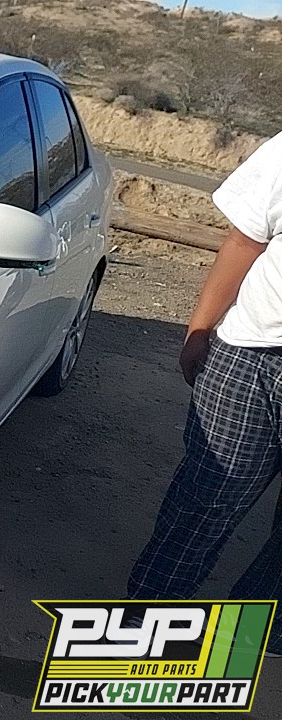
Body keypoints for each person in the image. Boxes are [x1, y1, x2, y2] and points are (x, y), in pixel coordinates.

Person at [127, 133, 282, 658]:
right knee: (207, 500)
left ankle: (256, 633)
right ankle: (148, 627)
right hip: (253, 355)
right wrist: (200, 328)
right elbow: (244, 243)